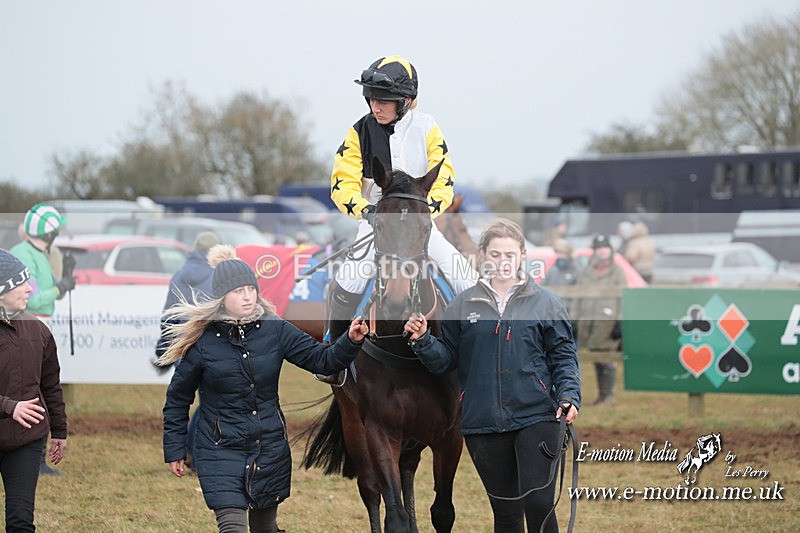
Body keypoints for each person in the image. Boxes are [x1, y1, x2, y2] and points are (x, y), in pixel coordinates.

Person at [159, 245, 368, 533]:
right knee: (233, 528)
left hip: (269, 447)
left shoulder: (276, 330)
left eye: (250, 289)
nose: (246, 296)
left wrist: (351, 340)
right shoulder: (203, 342)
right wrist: (175, 448)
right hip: (220, 449)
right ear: (221, 298)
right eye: (237, 291)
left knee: (265, 528)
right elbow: (177, 399)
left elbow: (324, 360)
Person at [403, 219, 580, 533]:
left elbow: (564, 358)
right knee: (506, 513)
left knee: (538, 503)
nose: (502, 261)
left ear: (522, 255)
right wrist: (422, 340)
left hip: (538, 415)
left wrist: (569, 396)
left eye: (510, 254)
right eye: (495, 254)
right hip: (482, 421)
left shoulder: (546, 303)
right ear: (483, 256)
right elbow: (445, 361)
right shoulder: (462, 305)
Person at [326, 55, 478, 346]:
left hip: (420, 225)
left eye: (383, 100)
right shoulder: (358, 132)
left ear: (406, 100)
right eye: (371, 99)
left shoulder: (428, 128)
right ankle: (334, 354)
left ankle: (481, 348)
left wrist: (427, 209)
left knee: (466, 279)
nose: (375, 107)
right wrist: (367, 211)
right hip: (376, 224)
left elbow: (444, 177)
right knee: (347, 281)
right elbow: (341, 185)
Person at [0, 248, 68, 532]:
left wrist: (60, 431)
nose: (30, 289)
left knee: (20, 520)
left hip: (26, 439)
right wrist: (10, 406)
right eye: (21, 283)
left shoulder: (38, 330)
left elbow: (51, 384)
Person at [10, 203, 74, 476]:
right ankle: (32, 457)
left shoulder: (38, 252)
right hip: (26, 328)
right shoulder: (24, 255)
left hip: (39, 326)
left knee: (44, 386)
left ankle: (36, 455)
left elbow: (45, 293)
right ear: (50, 234)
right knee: (32, 389)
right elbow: (33, 299)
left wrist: (64, 280)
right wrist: (59, 287)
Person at [571, 235, 627, 406]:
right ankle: (601, 395)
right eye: (599, 248)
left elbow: (623, 297)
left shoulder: (617, 272)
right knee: (596, 358)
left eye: (605, 248)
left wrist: (620, 321)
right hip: (589, 321)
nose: (602, 251)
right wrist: (573, 319)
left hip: (608, 321)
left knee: (607, 358)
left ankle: (609, 395)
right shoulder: (586, 272)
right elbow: (577, 296)